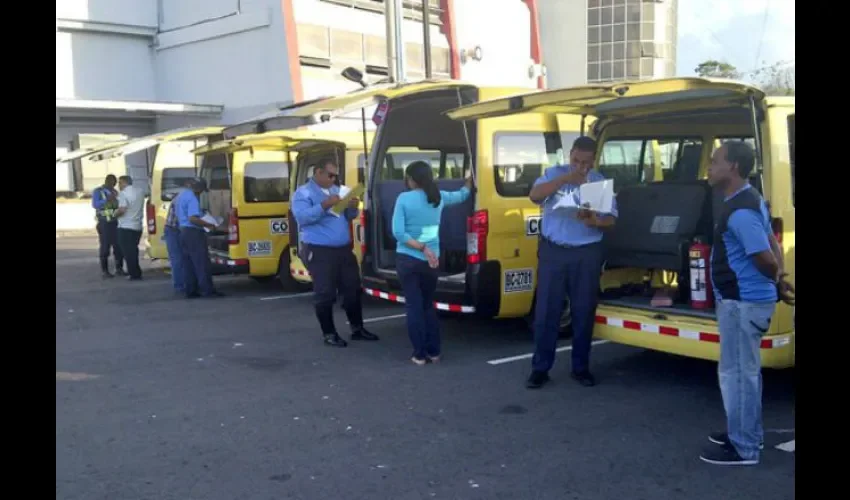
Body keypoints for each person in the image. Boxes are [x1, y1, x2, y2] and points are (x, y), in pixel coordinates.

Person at [700, 141, 795, 466]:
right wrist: (780, 278)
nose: (709, 167)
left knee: (739, 375)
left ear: (734, 168)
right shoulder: (749, 199)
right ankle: (742, 432)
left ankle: (744, 448)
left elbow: (763, 255)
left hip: (743, 304)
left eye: (715, 161)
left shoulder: (740, 211)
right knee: (739, 373)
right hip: (744, 302)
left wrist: (774, 275)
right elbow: (770, 239)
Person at [526, 136, 617, 389]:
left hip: (586, 253)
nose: (581, 167)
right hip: (554, 251)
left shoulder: (598, 182)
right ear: (571, 155)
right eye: (576, 160)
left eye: (586, 162)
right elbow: (534, 195)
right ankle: (540, 369)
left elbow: (610, 220)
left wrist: (594, 222)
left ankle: (581, 368)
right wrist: (565, 179)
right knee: (546, 312)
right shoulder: (554, 174)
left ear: (593, 160)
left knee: (583, 311)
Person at [291, 159, 378, 347]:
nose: (333, 179)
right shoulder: (303, 193)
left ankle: (357, 328)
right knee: (325, 292)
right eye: (330, 175)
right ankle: (329, 333)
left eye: (335, 176)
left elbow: (347, 216)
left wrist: (352, 206)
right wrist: (324, 205)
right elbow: (302, 218)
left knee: (353, 289)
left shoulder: (338, 191)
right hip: (320, 250)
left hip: (343, 249)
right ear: (318, 173)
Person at [392, 161, 472, 365]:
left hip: (409, 259)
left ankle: (419, 354)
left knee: (414, 306)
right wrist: (470, 181)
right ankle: (434, 352)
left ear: (411, 179)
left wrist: (419, 247)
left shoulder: (404, 198)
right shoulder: (439, 197)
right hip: (432, 261)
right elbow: (463, 195)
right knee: (428, 305)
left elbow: (398, 233)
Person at [174, 178, 224, 299]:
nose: (201, 193)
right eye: (201, 190)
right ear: (199, 188)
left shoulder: (181, 195)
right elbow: (193, 218)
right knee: (201, 262)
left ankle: (191, 290)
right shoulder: (192, 198)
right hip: (193, 232)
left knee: (188, 263)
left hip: (183, 231)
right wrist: (209, 224)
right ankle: (208, 290)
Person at [92, 174, 124, 278]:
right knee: (105, 246)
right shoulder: (98, 191)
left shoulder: (115, 192)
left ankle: (119, 269)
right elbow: (95, 204)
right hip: (104, 223)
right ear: (107, 181)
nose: (113, 185)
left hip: (115, 222)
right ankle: (104, 271)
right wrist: (107, 200)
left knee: (118, 246)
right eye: (112, 182)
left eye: (115, 183)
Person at [114, 175, 146, 281]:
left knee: (128, 252)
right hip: (137, 226)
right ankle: (136, 271)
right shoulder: (140, 191)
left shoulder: (123, 194)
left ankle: (134, 274)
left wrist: (114, 214)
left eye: (119, 183)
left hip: (125, 226)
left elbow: (122, 209)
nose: (118, 185)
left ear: (124, 182)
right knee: (134, 250)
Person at [163, 184, 188, 293]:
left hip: (174, 229)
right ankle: (179, 285)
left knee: (180, 258)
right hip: (173, 230)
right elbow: (183, 218)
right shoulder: (183, 199)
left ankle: (182, 283)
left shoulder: (182, 197)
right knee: (177, 259)